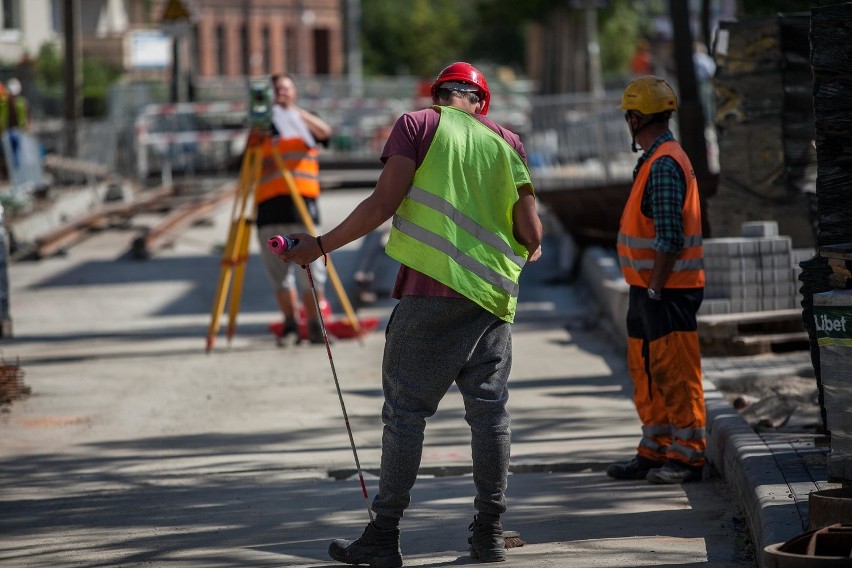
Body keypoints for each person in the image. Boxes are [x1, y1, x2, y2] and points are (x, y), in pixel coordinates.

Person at [276, 61, 543, 566]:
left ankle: (384, 535)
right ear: (481, 102)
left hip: (427, 296)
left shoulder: (418, 125)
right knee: (490, 416)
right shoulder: (509, 142)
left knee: (405, 416)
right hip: (490, 303)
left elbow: (383, 202)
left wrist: (320, 246)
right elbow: (532, 234)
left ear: (438, 94)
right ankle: (488, 533)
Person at [607, 75, 707, 485]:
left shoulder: (664, 164)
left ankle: (687, 457)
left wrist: (654, 287)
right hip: (648, 288)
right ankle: (656, 447)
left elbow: (669, 237)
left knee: (675, 372)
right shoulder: (654, 158)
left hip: (667, 290)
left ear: (635, 118)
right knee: (647, 369)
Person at [255, 73, 333, 345]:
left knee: (312, 272)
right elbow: (248, 161)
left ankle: (314, 326)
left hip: (302, 209)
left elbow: (325, 133)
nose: (281, 94)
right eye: (276, 90)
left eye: (286, 89)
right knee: (279, 275)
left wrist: (293, 111)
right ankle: (290, 324)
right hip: (268, 210)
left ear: (294, 91)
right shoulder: (261, 126)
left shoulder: (304, 120)